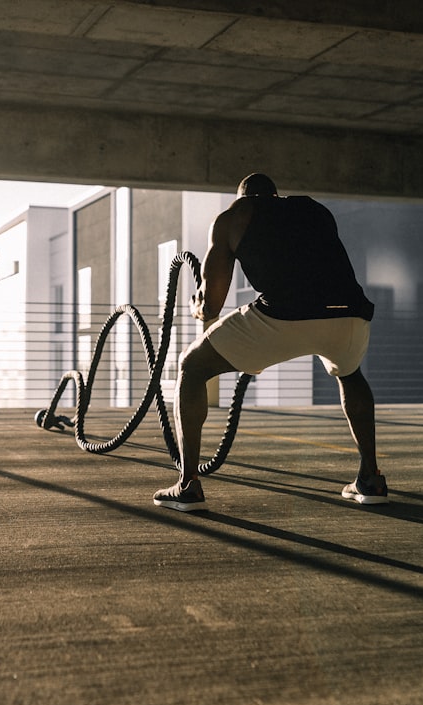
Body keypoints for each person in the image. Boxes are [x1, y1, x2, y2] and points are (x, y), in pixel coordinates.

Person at [153, 173, 387, 511]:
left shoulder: (233, 216)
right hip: (349, 313)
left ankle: (187, 485)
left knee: (192, 365)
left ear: (243, 196)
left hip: (285, 316)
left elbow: (213, 304)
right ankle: (371, 479)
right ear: (275, 196)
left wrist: (198, 306)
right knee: (350, 375)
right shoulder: (313, 209)